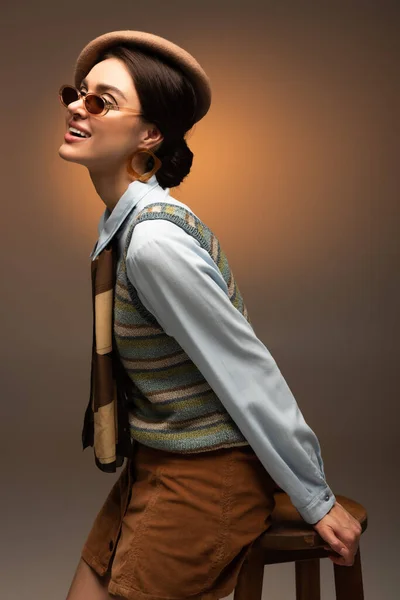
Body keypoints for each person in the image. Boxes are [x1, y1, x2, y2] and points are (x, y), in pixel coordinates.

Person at [58, 30, 361, 600]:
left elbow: (246, 370)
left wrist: (314, 497)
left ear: (149, 135)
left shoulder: (153, 244)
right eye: (77, 93)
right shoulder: (123, 228)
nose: (77, 106)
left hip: (208, 471)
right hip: (158, 458)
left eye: (101, 100)